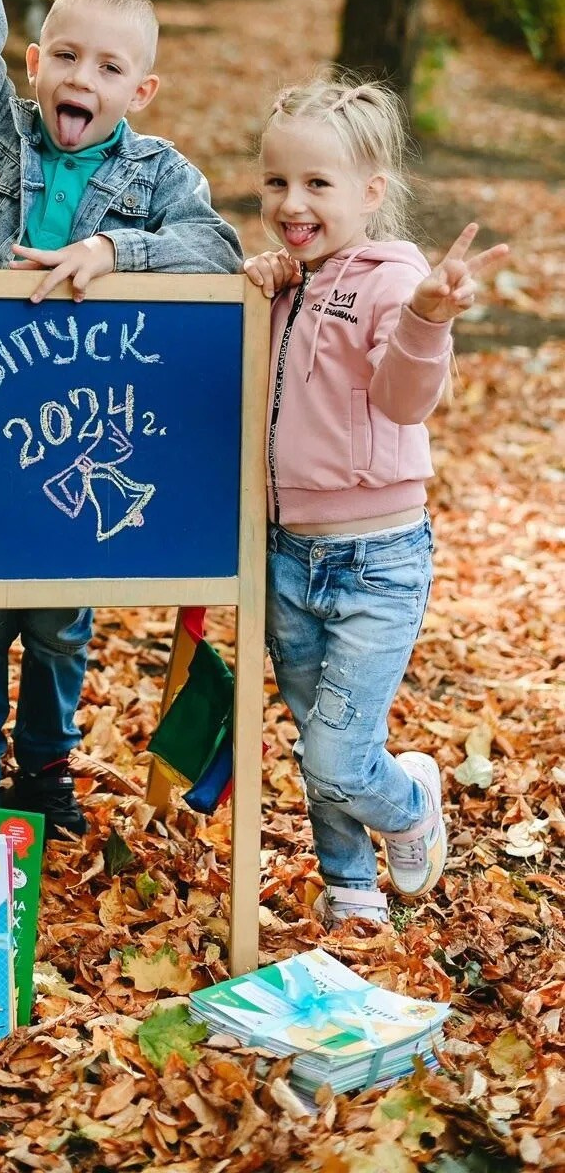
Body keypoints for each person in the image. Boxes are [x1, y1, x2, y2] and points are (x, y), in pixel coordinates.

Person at [0, 0, 243, 834]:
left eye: (107, 67)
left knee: (62, 618)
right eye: (64, 56)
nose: (81, 77)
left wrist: (115, 249)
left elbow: (215, 248)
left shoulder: (153, 175)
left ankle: (45, 777)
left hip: (84, 425)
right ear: (37, 63)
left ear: (136, 92)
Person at [244, 76, 507, 926]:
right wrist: (260, 285)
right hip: (289, 554)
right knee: (319, 733)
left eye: (318, 184)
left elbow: (402, 397)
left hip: (378, 559)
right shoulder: (289, 282)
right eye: (277, 181)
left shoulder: (392, 280)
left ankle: (412, 804)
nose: (293, 202)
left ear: (371, 192)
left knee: (337, 752)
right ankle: (352, 886)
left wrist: (428, 319)